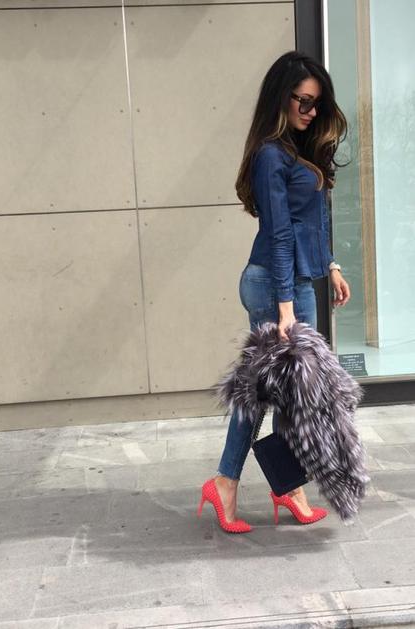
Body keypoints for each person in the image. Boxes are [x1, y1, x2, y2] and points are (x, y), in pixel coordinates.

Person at [198, 51, 351, 533]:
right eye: (303, 101)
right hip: (273, 284)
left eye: (316, 103)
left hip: (294, 281)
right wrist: (286, 308)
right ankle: (235, 483)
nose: (311, 111)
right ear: (280, 99)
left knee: (283, 391)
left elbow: (311, 220)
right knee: (268, 390)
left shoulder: (298, 152)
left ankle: (276, 486)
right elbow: (280, 235)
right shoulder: (270, 155)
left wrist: (330, 264)